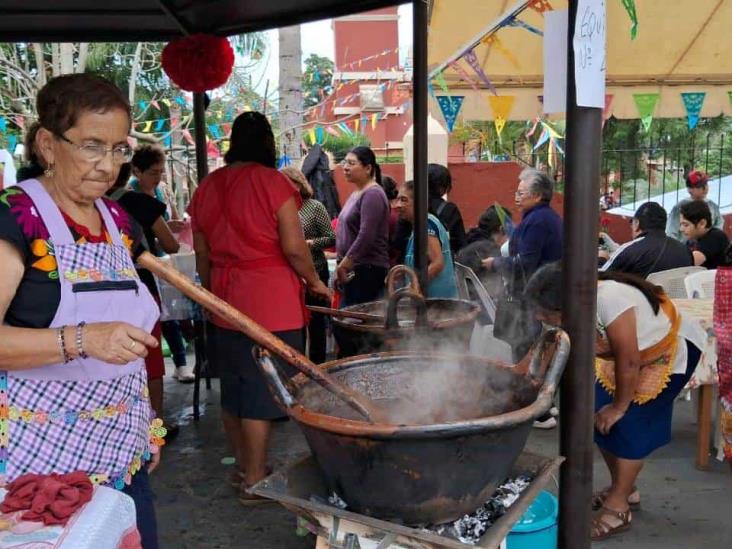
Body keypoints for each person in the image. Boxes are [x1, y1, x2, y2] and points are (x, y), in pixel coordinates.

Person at [0, 73, 163, 548]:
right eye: (92, 145)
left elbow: (131, 340)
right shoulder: (14, 216)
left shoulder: (120, 222)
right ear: (48, 145)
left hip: (121, 456)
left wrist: (146, 422)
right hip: (38, 476)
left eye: (118, 149)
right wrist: (83, 339)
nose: (107, 165)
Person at [188, 111, 330, 503]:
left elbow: (201, 254)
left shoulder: (208, 185)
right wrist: (315, 283)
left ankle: (242, 466)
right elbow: (294, 249)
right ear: (267, 142)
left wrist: (213, 293)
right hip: (271, 300)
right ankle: (254, 476)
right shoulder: (274, 183)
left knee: (234, 386)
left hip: (224, 297)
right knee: (259, 391)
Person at [525, 263, 705, 541]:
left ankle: (618, 507)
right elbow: (547, 345)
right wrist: (514, 372)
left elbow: (629, 360)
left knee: (630, 425)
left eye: (545, 311)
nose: (539, 316)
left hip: (666, 352)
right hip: (629, 358)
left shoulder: (610, 298)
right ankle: (625, 488)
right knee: (597, 414)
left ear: (567, 302)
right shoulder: (576, 301)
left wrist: (620, 406)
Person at [108, 163, 183, 437]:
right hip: (138, 285)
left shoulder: (79, 205)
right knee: (149, 359)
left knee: (112, 356)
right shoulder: (140, 203)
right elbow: (171, 245)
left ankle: (121, 424)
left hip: (98, 289)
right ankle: (155, 428)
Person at [481, 168, 563, 363]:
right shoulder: (539, 217)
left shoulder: (538, 221)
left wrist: (495, 263)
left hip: (537, 297)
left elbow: (524, 263)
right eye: (516, 192)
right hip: (540, 294)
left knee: (526, 351)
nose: (516, 198)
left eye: (521, 193)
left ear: (537, 196)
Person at [130, 145, 193, 382]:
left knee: (169, 316)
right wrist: (164, 235)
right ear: (137, 171)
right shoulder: (133, 197)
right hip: (143, 269)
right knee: (159, 318)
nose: (158, 178)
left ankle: (180, 363)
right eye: (153, 173)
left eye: (161, 172)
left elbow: (164, 227)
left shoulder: (161, 192)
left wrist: (171, 227)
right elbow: (167, 242)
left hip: (159, 263)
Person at [280, 166, 335, 364]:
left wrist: (312, 243)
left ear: (299, 183)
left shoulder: (314, 207)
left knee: (316, 323)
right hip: (290, 275)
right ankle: (300, 365)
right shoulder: (279, 208)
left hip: (316, 271)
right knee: (295, 324)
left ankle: (318, 366)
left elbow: (331, 238)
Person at [335, 146, 390, 307]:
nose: (345, 167)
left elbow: (366, 236)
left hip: (367, 270)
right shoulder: (356, 193)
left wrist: (345, 264)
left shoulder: (372, 194)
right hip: (353, 269)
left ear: (368, 168)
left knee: (358, 322)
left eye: (351, 163)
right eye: (345, 163)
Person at [396, 180, 458, 298]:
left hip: (438, 304)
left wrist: (414, 285)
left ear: (418, 202)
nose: (397, 205)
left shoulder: (426, 224)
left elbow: (437, 263)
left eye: (404, 200)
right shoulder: (417, 227)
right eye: (398, 199)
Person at [601, 202, 693, 277]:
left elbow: (600, 277)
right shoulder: (685, 251)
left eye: (632, 222)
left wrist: (601, 258)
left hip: (639, 299)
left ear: (637, 223)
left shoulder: (630, 249)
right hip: (674, 300)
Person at [456, 205, 513, 298]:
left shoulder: (468, 241)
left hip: (464, 304)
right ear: (502, 229)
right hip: (483, 306)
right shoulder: (491, 250)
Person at [666, 170, 724, 241]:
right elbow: (670, 233)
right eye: (701, 186)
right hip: (685, 249)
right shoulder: (679, 208)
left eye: (706, 184)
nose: (705, 188)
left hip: (707, 249)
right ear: (689, 189)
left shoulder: (712, 206)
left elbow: (719, 225)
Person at [428, 163, 466, 255]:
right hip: (442, 262)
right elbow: (461, 244)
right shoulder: (450, 209)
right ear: (442, 187)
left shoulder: (411, 205)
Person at [679, 200, 730, 269]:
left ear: (702, 223)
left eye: (686, 225)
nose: (681, 229)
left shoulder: (715, 237)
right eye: (681, 224)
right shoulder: (692, 240)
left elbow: (690, 262)